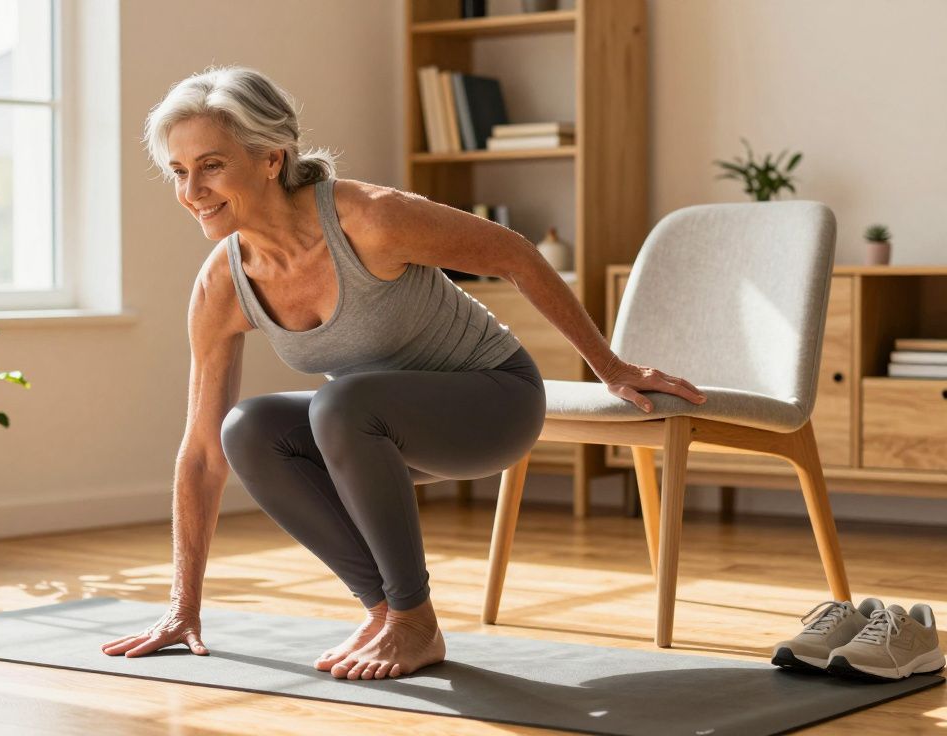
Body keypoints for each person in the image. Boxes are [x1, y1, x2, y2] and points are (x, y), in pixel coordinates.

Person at [101, 65, 706, 681]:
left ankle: (416, 622)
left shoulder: (369, 220)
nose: (191, 191)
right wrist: (182, 607)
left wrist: (611, 368)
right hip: (371, 432)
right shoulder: (223, 283)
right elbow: (202, 452)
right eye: (178, 172)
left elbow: (518, 256)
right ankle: (388, 609)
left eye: (211, 166)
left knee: (340, 404)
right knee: (247, 426)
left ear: (270, 159)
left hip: (493, 402)